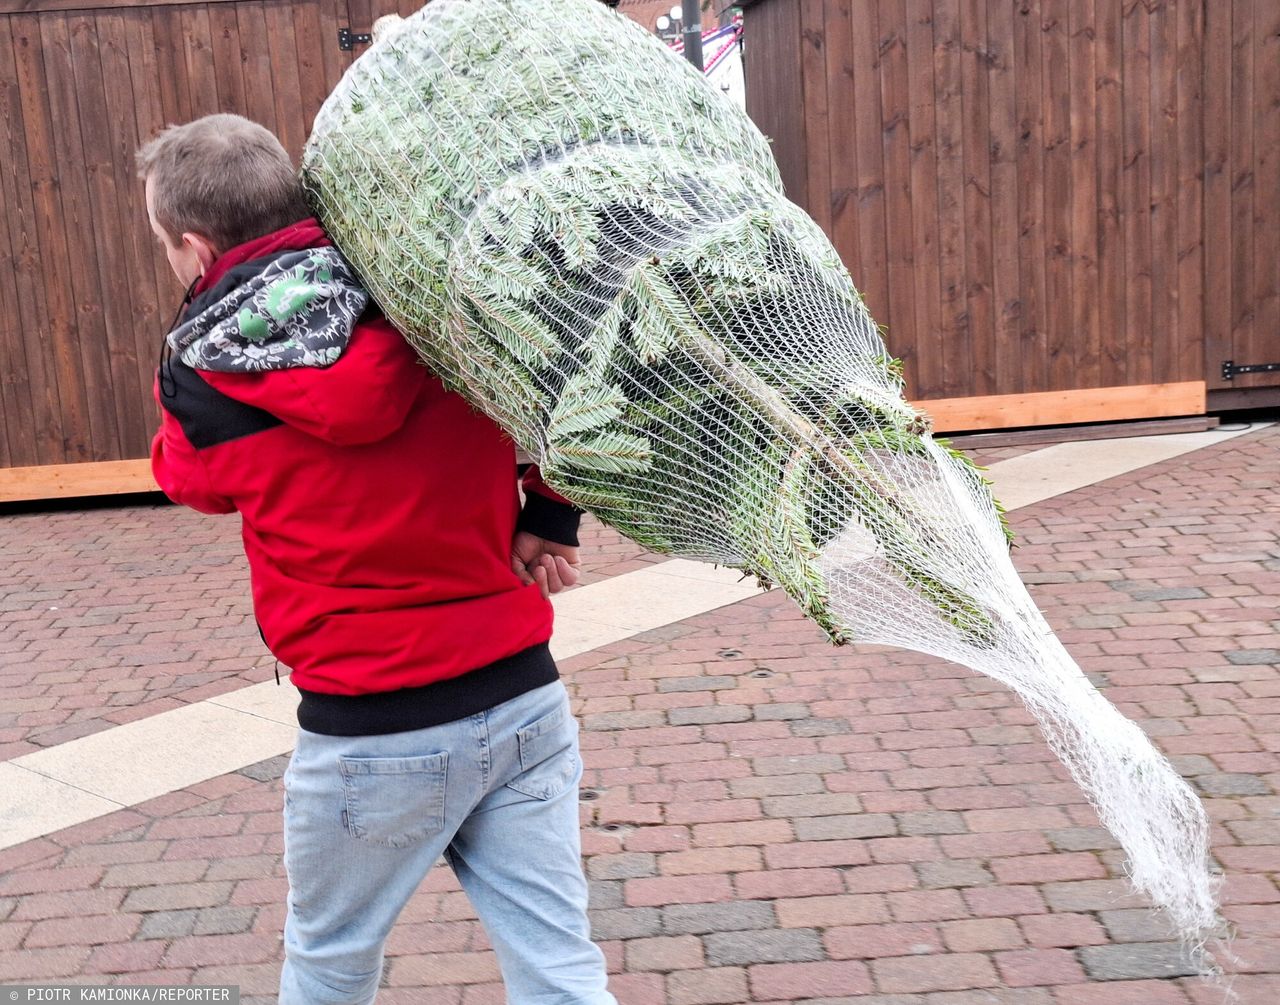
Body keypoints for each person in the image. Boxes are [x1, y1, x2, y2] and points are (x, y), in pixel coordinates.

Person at [138, 113, 616, 1005]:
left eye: (166, 245)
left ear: (196, 248)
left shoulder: (201, 364)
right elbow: (567, 384)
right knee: (559, 965)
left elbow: (190, 483)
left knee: (330, 961)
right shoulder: (424, 290)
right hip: (521, 694)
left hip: (369, 724)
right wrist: (551, 513)